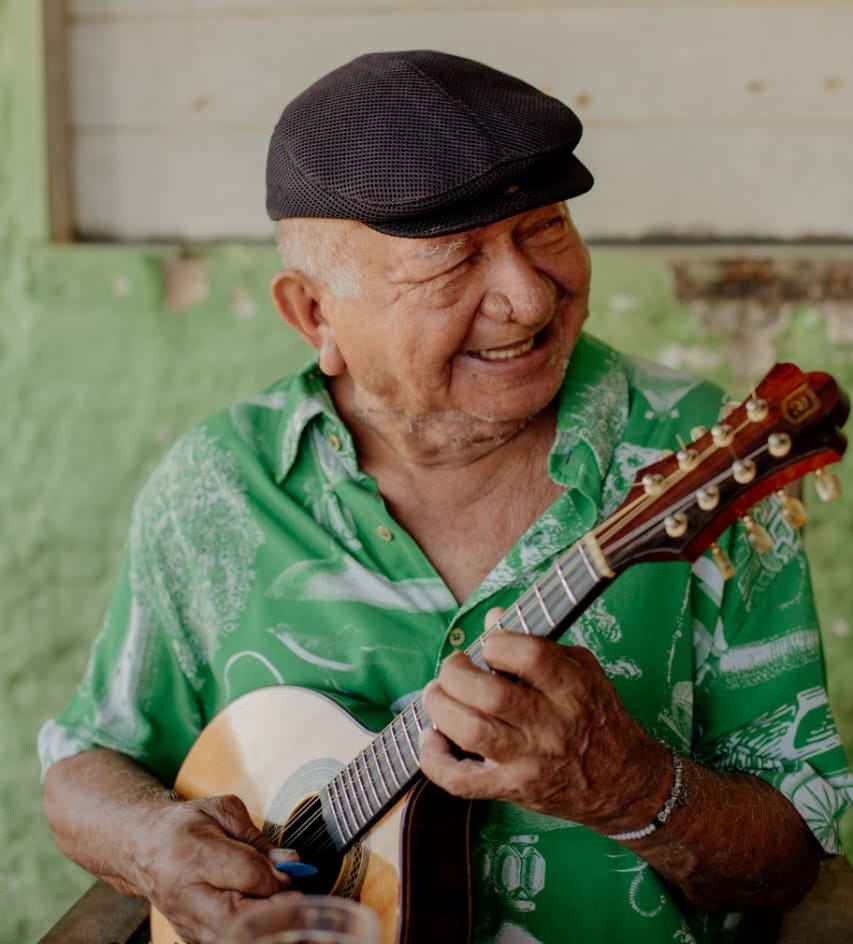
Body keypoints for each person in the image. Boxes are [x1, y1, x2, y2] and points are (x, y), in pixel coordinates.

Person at [40, 50, 852, 944]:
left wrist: (626, 783)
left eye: (544, 228)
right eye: (453, 261)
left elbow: (791, 861)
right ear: (314, 314)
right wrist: (155, 846)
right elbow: (86, 764)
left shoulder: (698, 456)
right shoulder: (221, 488)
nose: (528, 293)